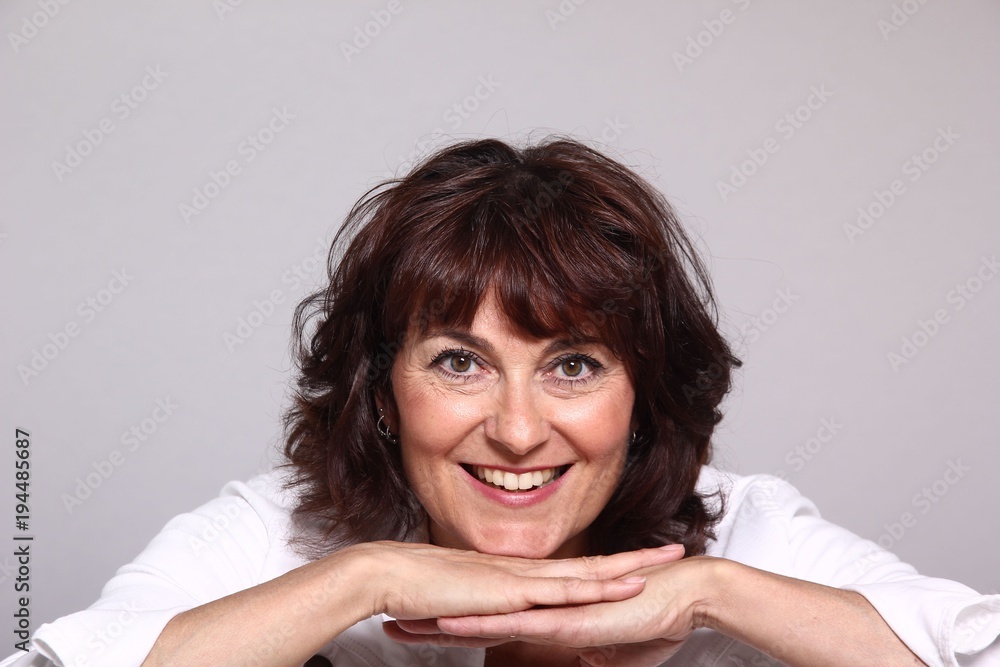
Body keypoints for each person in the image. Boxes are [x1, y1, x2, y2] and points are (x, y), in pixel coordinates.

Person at [5, 137, 998, 667]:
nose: (518, 431)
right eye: (458, 362)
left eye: (574, 366)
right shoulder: (276, 536)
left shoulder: (748, 534)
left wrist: (713, 595)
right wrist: (365, 580)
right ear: (381, 390)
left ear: (644, 394)